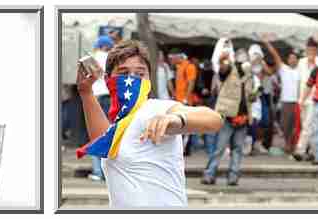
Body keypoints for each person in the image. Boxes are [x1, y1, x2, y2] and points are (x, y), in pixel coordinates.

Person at [77, 40, 223, 207]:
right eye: (124, 73)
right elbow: (103, 146)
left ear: (149, 79)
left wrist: (175, 119)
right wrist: (86, 92)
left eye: (140, 74)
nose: (132, 79)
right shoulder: (117, 126)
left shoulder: (155, 108)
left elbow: (214, 119)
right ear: (108, 79)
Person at [202, 37, 256, 186]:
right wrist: (223, 60)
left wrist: (254, 96)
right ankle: (209, 174)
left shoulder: (250, 75)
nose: (244, 62)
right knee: (219, 148)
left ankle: (233, 176)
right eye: (241, 59)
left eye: (245, 60)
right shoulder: (229, 69)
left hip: (243, 116)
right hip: (227, 115)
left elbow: (249, 96)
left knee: (238, 149)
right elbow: (222, 70)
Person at [260, 33, 301, 157]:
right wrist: (267, 43)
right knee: (284, 125)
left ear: (297, 60)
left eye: (295, 58)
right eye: (291, 58)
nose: (293, 60)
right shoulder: (284, 69)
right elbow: (275, 55)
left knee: (297, 126)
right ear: (288, 60)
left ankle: (293, 147)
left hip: (298, 102)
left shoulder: (301, 69)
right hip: (286, 102)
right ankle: (288, 146)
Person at [88, 35, 114, 182]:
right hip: (110, 98)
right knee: (110, 133)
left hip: (96, 98)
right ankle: (108, 172)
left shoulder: (91, 58)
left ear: (100, 45)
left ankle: (98, 172)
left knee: (95, 134)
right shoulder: (113, 59)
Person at [294, 38, 318, 161]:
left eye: (313, 49)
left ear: (316, 51)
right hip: (302, 98)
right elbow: (299, 81)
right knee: (309, 125)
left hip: (314, 98)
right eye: (309, 49)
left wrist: (314, 64)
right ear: (306, 49)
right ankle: (314, 151)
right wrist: (298, 99)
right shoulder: (301, 62)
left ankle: (300, 150)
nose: (310, 51)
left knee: (307, 125)